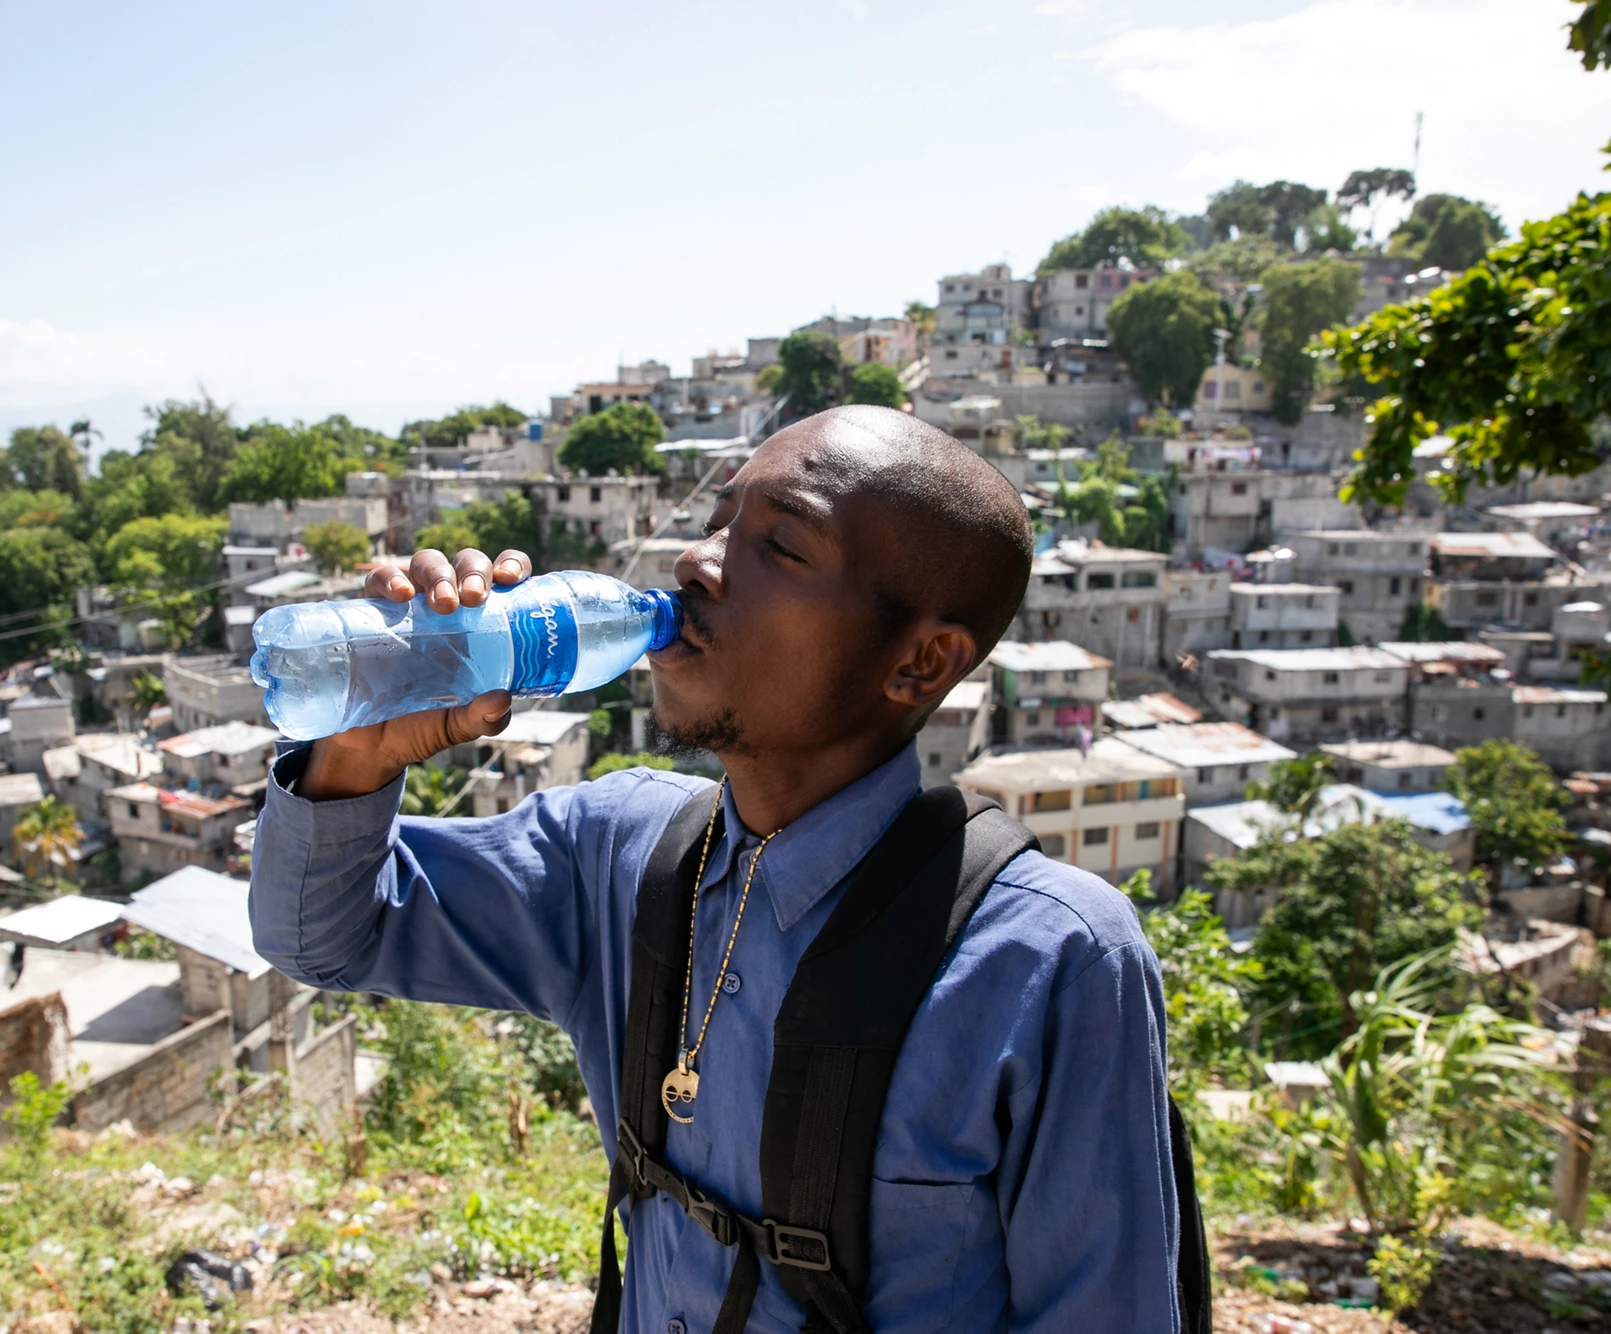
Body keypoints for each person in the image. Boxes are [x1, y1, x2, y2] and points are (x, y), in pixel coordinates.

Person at [250, 406, 1179, 1332]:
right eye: (717, 523)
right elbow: (324, 937)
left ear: (921, 661)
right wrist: (362, 751)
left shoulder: (1050, 958)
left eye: (782, 546)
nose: (697, 562)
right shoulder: (615, 850)